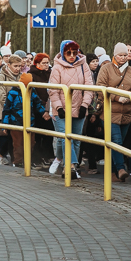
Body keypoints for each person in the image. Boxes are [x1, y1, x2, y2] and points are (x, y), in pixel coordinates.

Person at [95, 42, 131, 183]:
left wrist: (130, 97)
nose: (123, 57)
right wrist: (117, 97)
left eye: (125, 55)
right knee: (116, 141)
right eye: (120, 55)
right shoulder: (106, 69)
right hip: (110, 112)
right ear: (114, 55)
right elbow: (100, 88)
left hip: (127, 113)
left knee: (116, 144)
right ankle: (121, 169)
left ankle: (112, 173)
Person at [47, 41, 95, 179]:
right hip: (61, 109)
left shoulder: (84, 65)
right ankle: (71, 166)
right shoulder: (57, 67)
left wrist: (85, 105)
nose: (72, 55)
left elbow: (89, 87)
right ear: (63, 53)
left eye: (75, 52)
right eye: (69, 53)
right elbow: (53, 90)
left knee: (75, 139)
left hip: (79, 108)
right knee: (65, 137)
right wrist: (58, 107)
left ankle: (64, 162)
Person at [1, 73, 51, 168]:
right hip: (16, 123)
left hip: (29, 122)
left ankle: (27, 162)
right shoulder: (13, 92)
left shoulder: (32, 91)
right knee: (18, 144)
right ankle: (18, 162)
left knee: (31, 143)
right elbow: (6, 109)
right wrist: (5, 125)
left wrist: (43, 113)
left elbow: (38, 103)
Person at [0, 54, 25, 164]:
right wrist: (11, 107)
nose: (18, 68)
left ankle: (14, 160)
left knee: (16, 139)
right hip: (7, 111)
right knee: (6, 137)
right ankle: (2, 155)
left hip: (19, 113)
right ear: (9, 65)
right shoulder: (2, 77)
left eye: (20, 66)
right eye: (15, 66)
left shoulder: (22, 76)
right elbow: (1, 96)